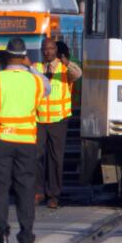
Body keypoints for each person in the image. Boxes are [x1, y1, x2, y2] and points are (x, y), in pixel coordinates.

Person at [0, 37, 48, 243]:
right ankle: (26, 239)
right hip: (26, 143)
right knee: (25, 190)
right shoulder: (35, 81)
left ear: (6, 57)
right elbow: (47, 87)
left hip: (0, 141)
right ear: (25, 57)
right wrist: (31, 68)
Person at [34, 37, 82, 209]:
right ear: (42, 50)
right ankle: (38, 191)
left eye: (51, 49)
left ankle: (53, 195)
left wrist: (67, 62)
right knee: (37, 156)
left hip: (58, 120)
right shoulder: (36, 68)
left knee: (55, 158)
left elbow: (78, 74)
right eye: (45, 49)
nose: (48, 52)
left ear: (56, 50)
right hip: (39, 119)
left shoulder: (65, 68)